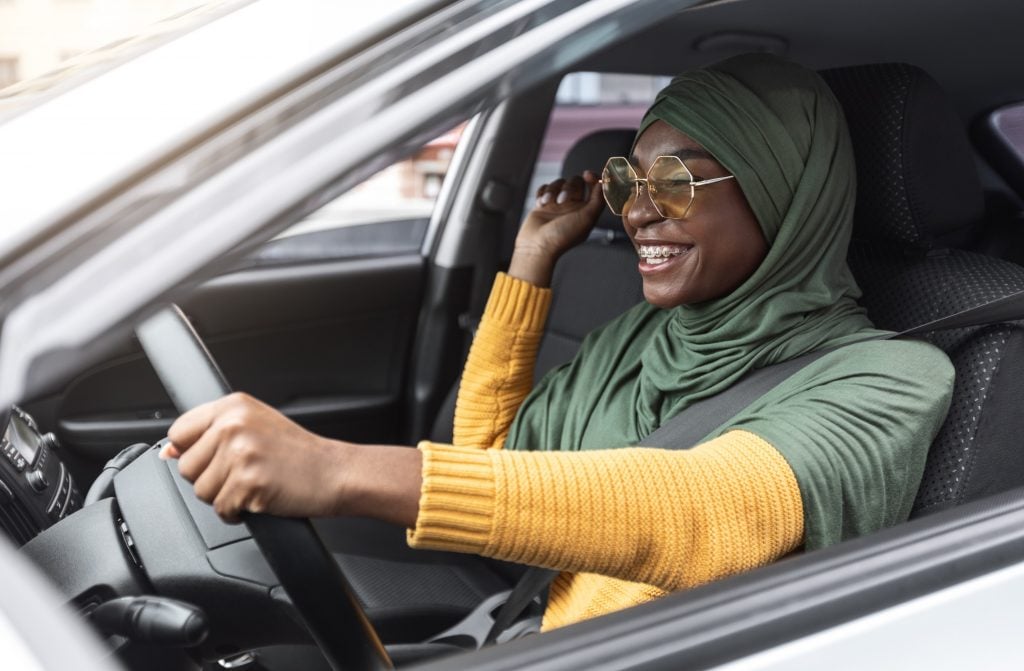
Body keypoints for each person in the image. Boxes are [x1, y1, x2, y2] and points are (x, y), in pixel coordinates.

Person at [160, 54, 954, 631]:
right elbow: (493, 456)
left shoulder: (892, 376)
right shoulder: (641, 335)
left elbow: (701, 512)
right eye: (627, 181)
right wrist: (534, 256)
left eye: (675, 179)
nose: (638, 210)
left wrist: (336, 468)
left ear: (784, 191)